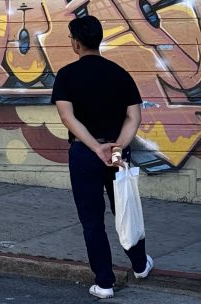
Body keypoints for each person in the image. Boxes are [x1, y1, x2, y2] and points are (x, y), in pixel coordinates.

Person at [51, 15, 153, 299]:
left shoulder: (67, 75)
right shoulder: (119, 73)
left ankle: (105, 283)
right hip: (118, 154)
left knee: (91, 219)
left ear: (75, 43)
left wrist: (96, 147)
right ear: (100, 39)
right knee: (125, 208)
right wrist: (117, 146)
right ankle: (141, 265)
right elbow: (134, 116)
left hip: (85, 154)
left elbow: (66, 116)